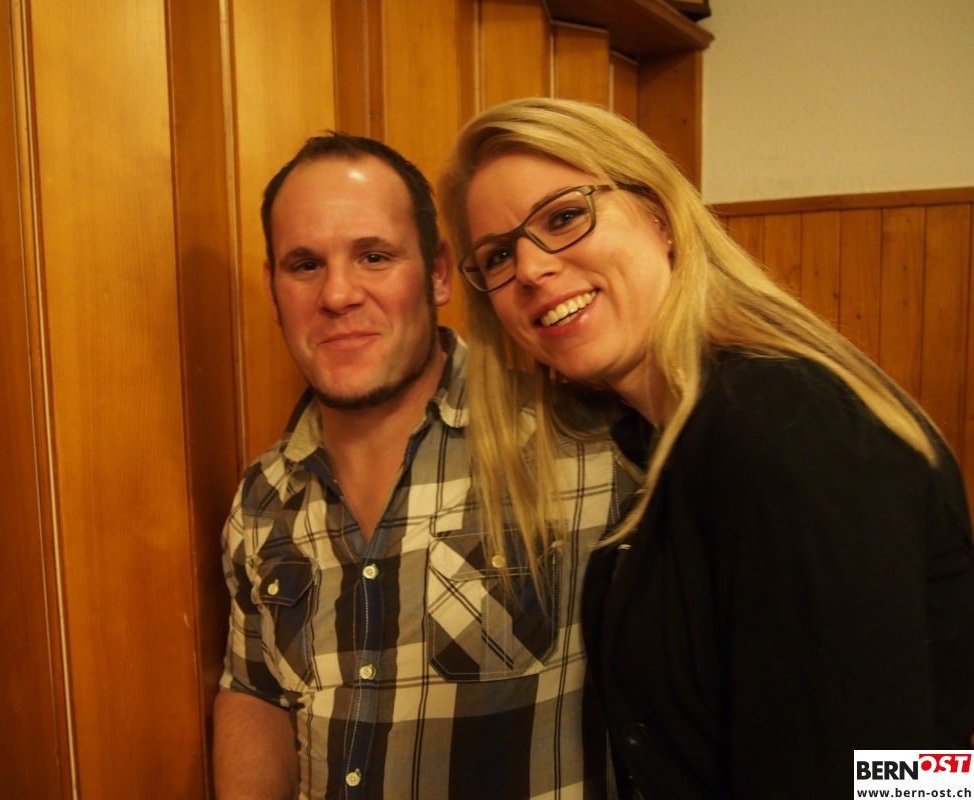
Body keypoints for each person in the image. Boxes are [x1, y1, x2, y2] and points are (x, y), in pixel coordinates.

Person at [439, 97, 974, 799]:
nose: (532, 269)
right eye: (499, 256)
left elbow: (891, 771)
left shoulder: (781, 424)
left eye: (563, 217)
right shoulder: (656, 431)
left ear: (660, 218)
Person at [213, 131, 635, 799]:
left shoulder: (589, 445)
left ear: (438, 273)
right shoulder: (261, 498)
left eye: (374, 256)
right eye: (305, 265)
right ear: (274, 289)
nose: (337, 294)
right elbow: (254, 690)